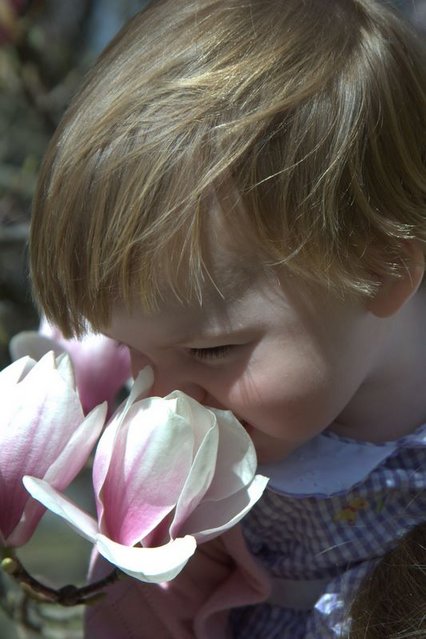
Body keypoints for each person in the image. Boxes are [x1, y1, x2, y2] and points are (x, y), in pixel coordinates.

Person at [28, 0, 426, 637]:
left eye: (212, 351)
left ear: (377, 270)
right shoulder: (208, 467)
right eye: (134, 353)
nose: (163, 397)